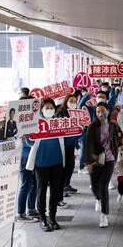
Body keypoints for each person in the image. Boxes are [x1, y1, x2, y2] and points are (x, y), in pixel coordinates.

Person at [26, 98, 65, 232]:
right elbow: (30, 143)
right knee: (41, 191)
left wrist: (79, 129)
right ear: (41, 109)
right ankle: (42, 217)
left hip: (57, 162)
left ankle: (52, 217)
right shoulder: (35, 124)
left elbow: (69, 138)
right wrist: (25, 137)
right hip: (41, 163)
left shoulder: (59, 123)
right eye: (46, 107)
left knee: (55, 191)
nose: (49, 109)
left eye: (51, 107)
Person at [85, 102, 120, 228]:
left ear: (108, 111)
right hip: (95, 159)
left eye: (102, 111)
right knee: (95, 186)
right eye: (98, 111)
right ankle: (98, 198)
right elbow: (88, 144)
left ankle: (104, 214)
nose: (100, 114)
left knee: (103, 185)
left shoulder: (112, 125)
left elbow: (118, 139)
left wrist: (118, 156)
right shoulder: (92, 126)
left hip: (109, 159)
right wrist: (88, 162)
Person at [56, 95, 80, 206]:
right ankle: (63, 188)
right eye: (71, 101)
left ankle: (66, 185)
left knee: (70, 165)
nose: (73, 103)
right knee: (65, 167)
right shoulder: (61, 112)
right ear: (66, 101)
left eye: (75, 101)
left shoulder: (75, 112)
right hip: (63, 144)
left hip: (71, 144)